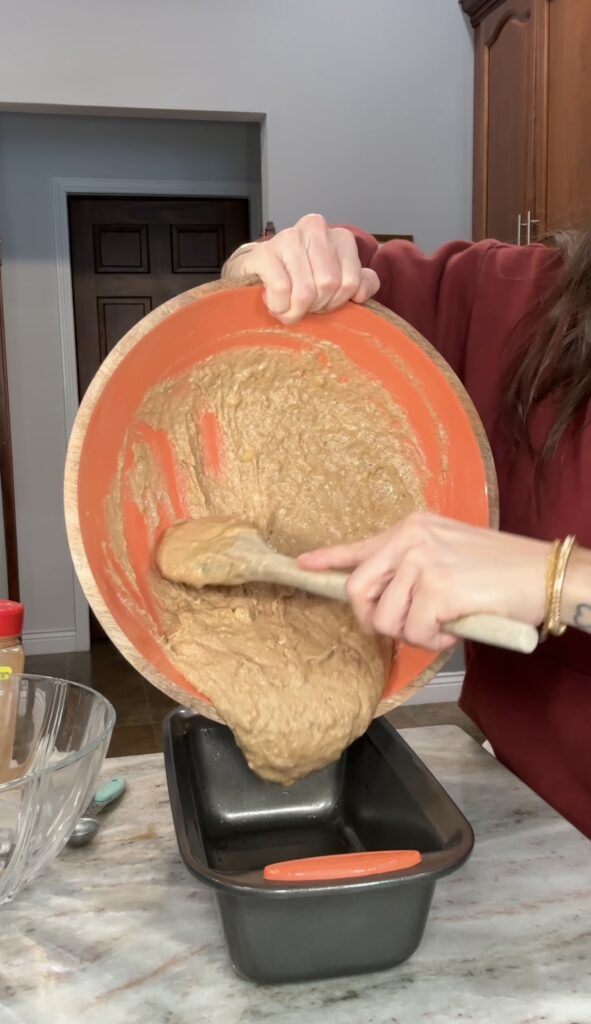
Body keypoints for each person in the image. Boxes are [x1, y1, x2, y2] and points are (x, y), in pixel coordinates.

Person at [222, 214, 591, 838]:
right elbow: (339, 285)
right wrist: (273, 263)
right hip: (532, 820)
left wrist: (558, 578)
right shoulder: (526, 302)